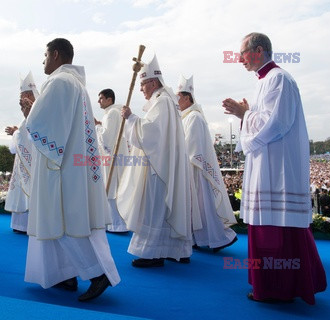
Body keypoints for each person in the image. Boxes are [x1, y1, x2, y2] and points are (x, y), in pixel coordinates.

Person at [222, 32, 326, 304]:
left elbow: (277, 124)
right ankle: (276, 285)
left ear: (258, 51)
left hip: (277, 171)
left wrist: (244, 114)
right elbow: (264, 120)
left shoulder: (278, 79)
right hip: (267, 165)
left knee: (275, 230)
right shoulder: (265, 81)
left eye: (242, 53)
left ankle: (276, 289)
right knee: (271, 227)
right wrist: (246, 114)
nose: (240, 60)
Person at [24, 38, 120, 302]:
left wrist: (29, 112)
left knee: (60, 220)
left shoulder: (59, 83)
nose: (43, 61)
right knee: (61, 221)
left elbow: (41, 127)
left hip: (60, 168)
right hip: (71, 165)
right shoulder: (75, 84)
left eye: (44, 55)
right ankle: (63, 274)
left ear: (55, 54)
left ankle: (96, 273)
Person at [117, 55, 193, 267]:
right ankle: (174, 249)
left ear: (152, 82)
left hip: (157, 168)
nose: (141, 89)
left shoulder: (162, 102)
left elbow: (151, 134)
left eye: (142, 84)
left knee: (154, 207)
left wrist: (131, 118)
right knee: (163, 208)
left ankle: (152, 253)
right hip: (162, 164)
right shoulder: (165, 101)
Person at [177, 75, 237, 252]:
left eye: (178, 97)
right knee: (195, 209)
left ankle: (219, 238)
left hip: (195, 169)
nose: (176, 100)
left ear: (187, 98)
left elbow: (192, 146)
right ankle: (198, 238)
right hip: (189, 167)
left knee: (203, 208)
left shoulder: (194, 117)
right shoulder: (186, 117)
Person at [4, 71, 39, 234]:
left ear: (29, 95)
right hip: (23, 161)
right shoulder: (30, 113)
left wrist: (16, 133)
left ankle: (26, 225)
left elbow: (26, 134)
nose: (20, 98)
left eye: (23, 94)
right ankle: (20, 224)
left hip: (32, 162)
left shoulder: (36, 110)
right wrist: (17, 131)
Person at [95, 88, 128, 233]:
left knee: (112, 189)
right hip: (118, 155)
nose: (98, 101)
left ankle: (116, 224)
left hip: (112, 158)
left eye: (101, 98)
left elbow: (107, 139)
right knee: (117, 188)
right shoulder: (115, 112)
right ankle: (119, 223)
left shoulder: (111, 114)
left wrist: (97, 127)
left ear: (109, 99)